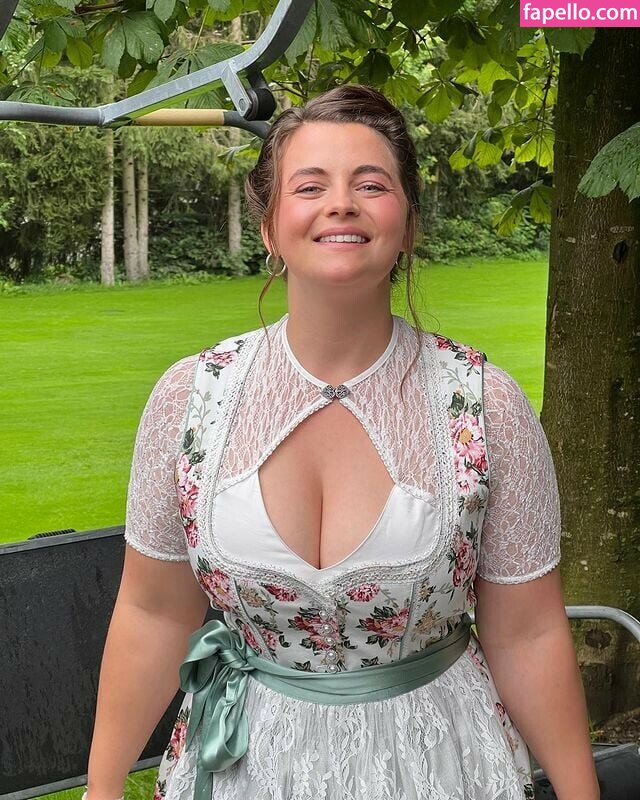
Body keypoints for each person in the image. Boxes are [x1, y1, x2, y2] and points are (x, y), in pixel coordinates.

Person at [85, 84, 600, 800]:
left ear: (409, 223)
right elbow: (154, 611)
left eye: (371, 184)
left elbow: (528, 633)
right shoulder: (190, 399)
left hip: (440, 766)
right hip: (246, 771)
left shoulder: (486, 406)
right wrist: (103, 789)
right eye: (309, 186)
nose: (341, 204)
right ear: (269, 225)